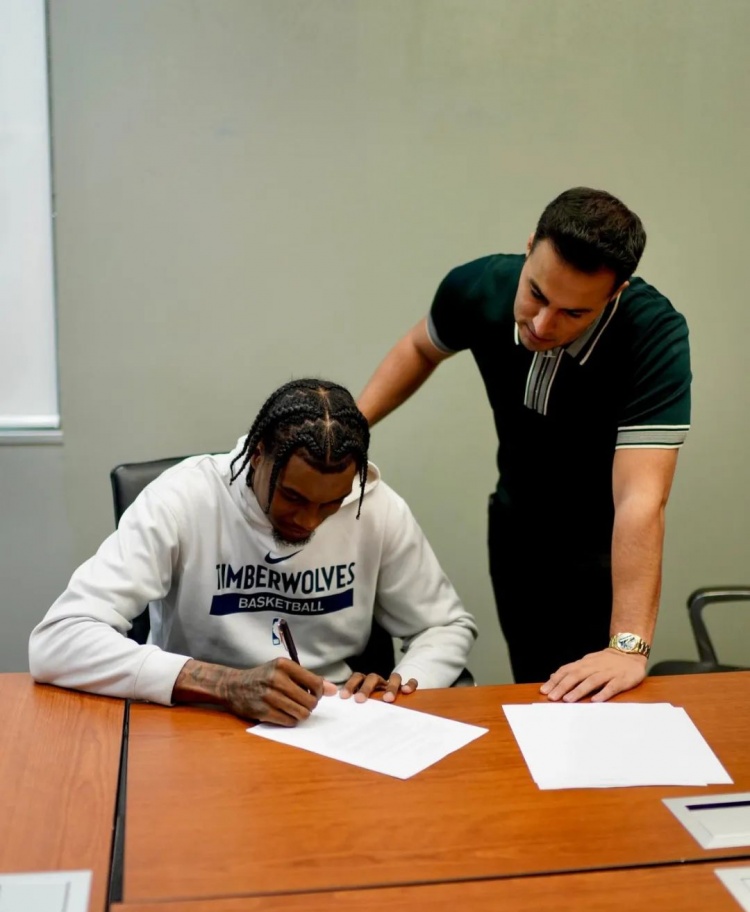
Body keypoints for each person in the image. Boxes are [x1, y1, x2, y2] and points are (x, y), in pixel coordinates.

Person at [358, 187, 691, 703]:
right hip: (516, 529)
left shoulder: (653, 335)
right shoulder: (480, 285)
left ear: (615, 293)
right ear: (531, 245)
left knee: (592, 700)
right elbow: (421, 347)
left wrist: (627, 646)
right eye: (536, 294)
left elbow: (640, 498)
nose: (541, 324)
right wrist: (349, 430)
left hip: (600, 547)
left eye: (572, 313)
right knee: (533, 688)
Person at [29, 379, 476, 726]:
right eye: (293, 497)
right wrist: (224, 684)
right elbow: (58, 640)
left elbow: (445, 626)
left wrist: (403, 685)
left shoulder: (375, 507)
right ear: (257, 455)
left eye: (331, 504)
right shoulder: (183, 498)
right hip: (194, 718)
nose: (310, 521)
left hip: (332, 725)